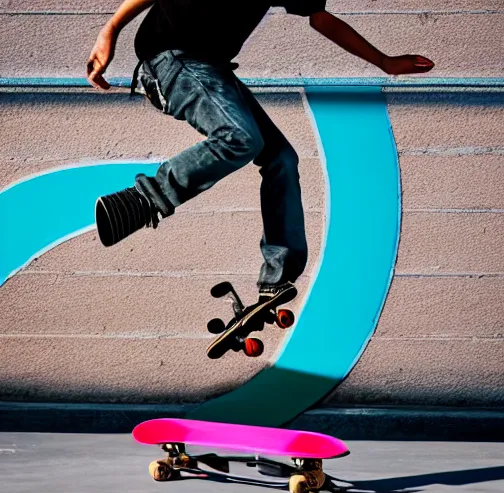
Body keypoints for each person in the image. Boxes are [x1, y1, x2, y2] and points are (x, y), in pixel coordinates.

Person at [86, 0, 434, 306]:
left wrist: (385, 62)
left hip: (212, 70)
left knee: (281, 158)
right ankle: (145, 198)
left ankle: (277, 277)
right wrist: (111, 29)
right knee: (240, 137)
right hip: (170, 59)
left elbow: (321, 19)